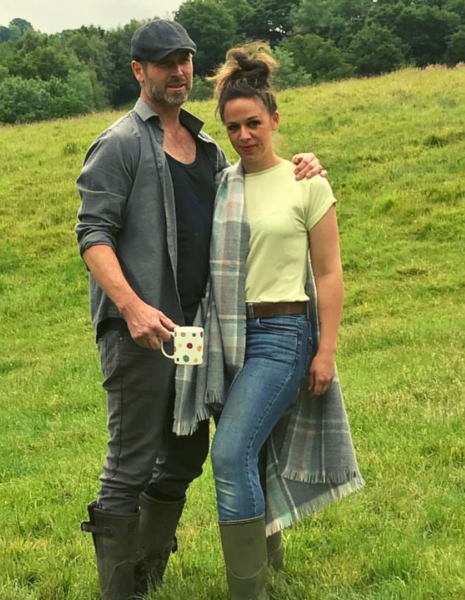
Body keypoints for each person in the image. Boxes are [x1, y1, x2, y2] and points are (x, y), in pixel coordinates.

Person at [75, 21, 325, 600]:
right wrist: (132, 307)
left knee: (186, 451)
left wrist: (304, 165)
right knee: (131, 461)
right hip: (139, 332)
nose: (178, 71)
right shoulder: (119, 144)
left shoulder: (208, 149)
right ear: (139, 72)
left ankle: (148, 573)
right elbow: (92, 235)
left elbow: (257, 188)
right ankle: (120, 591)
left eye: (184, 60)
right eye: (164, 63)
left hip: (196, 333)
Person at [175, 43, 364, 600]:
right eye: (233, 127)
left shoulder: (308, 182)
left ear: (275, 120)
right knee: (251, 451)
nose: (244, 136)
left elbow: (328, 275)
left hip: (285, 337)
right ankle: (269, 564)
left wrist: (325, 350)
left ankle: (247, 593)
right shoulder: (221, 184)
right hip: (229, 333)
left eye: (254, 123)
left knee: (230, 452)